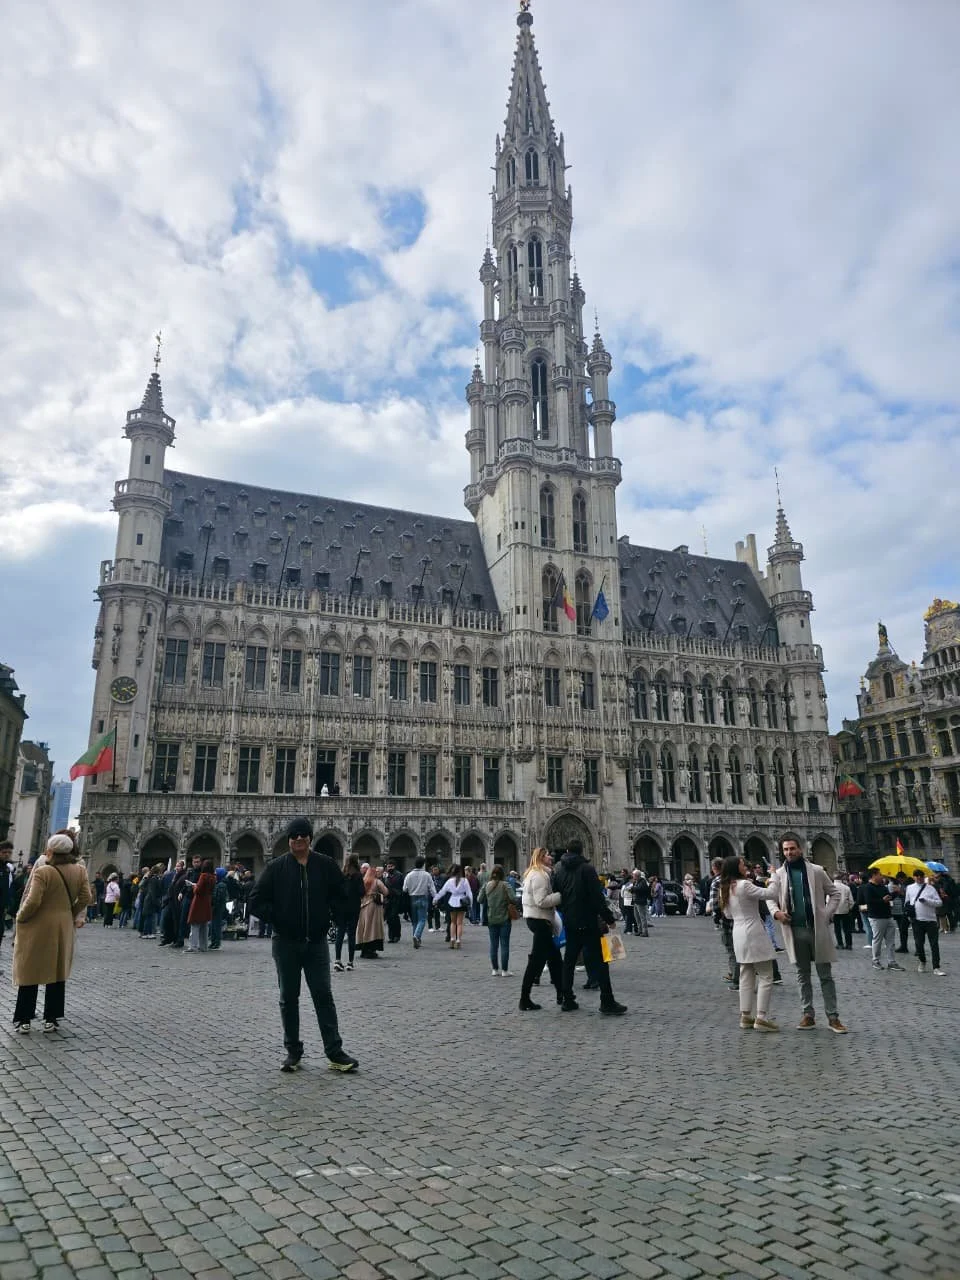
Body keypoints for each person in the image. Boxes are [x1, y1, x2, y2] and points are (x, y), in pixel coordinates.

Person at [247, 817, 358, 1074]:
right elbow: (255, 900)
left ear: (310, 838)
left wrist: (330, 916)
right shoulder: (277, 867)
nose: (299, 839)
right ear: (289, 839)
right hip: (285, 942)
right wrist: (278, 918)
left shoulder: (325, 865)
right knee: (289, 998)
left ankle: (334, 1051)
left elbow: (342, 895)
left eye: (303, 835)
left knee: (323, 997)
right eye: (294, 835)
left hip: (316, 942)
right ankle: (293, 1051)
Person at [12, 833, 94, 1033]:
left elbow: (33, 901)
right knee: (57, 970)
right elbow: (86, 897)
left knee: (30, 970)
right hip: (63, 925)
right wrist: (69, 913)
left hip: (38, 925)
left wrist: (20, 917)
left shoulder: (44, 871)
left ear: (51, 850)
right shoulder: (80, 870)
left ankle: (24, 1019)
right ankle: (52, 1018)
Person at [767, 838, 848, 1033]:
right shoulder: (778, 874)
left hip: (816, 929)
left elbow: (835, 894)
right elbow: (771, 898)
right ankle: (808, 1015)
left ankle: (833, 1017)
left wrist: (826, 915)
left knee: (825, 975)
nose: (789, 852)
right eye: (785, 849)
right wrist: (776, 912)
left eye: (792, 848)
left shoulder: (817, 871)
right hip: (794, 930)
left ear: (800, 849)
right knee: (802, 975)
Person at [552, 843, 626, 1015]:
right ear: (582, 851)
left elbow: (557, 895)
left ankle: (567, 999)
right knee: (600, 961)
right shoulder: (587, 869)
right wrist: (609, 919)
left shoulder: (560, 871)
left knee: (569, 962)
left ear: (568, 851)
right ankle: (607, 1001)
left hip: (570, 923)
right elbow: (597, 898)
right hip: (588, 922)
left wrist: (566, 912)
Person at [719, 855, 779, 1031]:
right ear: (735, 868)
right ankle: (761, 1017)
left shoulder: (726, 887)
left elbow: (728, 915)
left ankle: (745, 1016)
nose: (745, 866)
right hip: (753, 932)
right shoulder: (744, 885)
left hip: (738, 933)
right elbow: (771, 893)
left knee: (746, 974)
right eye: (742, 864)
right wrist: (773, 876)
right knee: (766, 975)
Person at [518, 848, 563, 1011]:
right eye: (547, 855)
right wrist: (560, 895)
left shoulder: (537, 873)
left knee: (555, 959)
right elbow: (541, 901)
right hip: (539, 919)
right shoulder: (539, 875)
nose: (551, 857)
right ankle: (524, 999)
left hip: (538, 919)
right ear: (540, 858)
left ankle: (562, 994)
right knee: (536, 961)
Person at [478, 865, 517, 976]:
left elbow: (479, 899)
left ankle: (495, 969)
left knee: (493, 945)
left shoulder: (487, 885)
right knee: (504, 945)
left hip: (491, 919)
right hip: (504, 918)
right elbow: (514, 898)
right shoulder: (506, 885)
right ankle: (505, 970)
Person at [905, 871, 946, 976]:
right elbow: (907, 902)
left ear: (924, 877)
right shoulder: (909, 888)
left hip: (931, 920)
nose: (919, 878)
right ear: (913, 877)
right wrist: (909, 915)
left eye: (921, 876)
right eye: (917, 876)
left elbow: (939, 902)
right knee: (919, 944)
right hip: (917, 920)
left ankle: (936, 967)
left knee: (934, 945)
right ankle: (922, 961)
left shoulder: (931, 888)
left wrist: (927, 901)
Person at [865, 867, 900, 971]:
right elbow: (869, 901)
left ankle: (891, 962)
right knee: (877, 940)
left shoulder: (882, 886)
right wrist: (882, 900)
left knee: (891, 941)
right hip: (876, 917)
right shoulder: (868, 887)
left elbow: (888, 897)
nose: (882, 876)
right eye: (880, 874)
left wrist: (895, 893)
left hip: (888, 916)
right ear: (874, 875)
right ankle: (875, 960)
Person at [334, 854, 364, 970]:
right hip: (353, 908)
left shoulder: (341, 875)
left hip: (341, 909)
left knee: (340, 933)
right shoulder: (357, 875)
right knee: (351, 934)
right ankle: (350, 963)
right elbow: (362, 892)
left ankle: (337, 960)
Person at [433, 864, 472, 948]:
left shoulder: (450, 881)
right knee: (460, 923)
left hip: (452, 902)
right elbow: (469, 893)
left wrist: (435, 899)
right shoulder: (464, 880)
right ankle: (458, 940)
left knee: (452, 923)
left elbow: (442, 892)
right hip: (462, 902)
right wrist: (470, 903)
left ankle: (452, 939)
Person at [356, 863, 387, 959]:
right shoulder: (377, 882)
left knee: (364, 927)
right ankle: (371, 950)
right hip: (374, 907)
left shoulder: (362, 881)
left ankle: (363, 949)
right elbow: (386, 891)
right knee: (373, 928)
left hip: (362, 906)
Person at [402, 856, 434, 949]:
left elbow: (404, 889)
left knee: (415, 921)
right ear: (423, 864)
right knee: (422, 919)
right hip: (423, 897)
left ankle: (417, 939)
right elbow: (432, 888)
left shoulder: (409, 875)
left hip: (412, 898)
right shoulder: (427, 875)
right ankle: (416, 935)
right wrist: (436, 898)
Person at [186, 860, 216, 952]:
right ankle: (204, 946)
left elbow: (197, 890)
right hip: (207, 901)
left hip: (199, 902)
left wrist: (193, 886)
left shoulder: (203, 876)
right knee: (204, 925)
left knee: (195, 924)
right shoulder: (213, 877)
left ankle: (193, 947)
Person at [831, 874, 854, 951]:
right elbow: (851, 901)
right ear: (841, 878)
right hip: (845, 911)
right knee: (847, 928)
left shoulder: (831, 887)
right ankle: (849, 944)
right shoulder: (846, 887)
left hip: (835, 911)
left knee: (837, 929)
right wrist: (849, 908)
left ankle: (840, 944)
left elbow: (828, 900)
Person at [383, 860, 404, 943]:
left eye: (391, 866)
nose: (390, 868)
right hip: (388, 899)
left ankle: (397, 935)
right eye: (388, 866)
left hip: (396, 899)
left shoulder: (399, 875)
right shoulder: (385, 876)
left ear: (394, 866)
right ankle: (391, 936)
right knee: (389, 918)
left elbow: (402, 887)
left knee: (394, 917)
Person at [209, 868, 229, 949]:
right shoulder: (218, 883)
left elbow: (218, 897)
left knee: (216, 926)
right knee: (213, 925)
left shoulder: (221, 885)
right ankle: (214, 942)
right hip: (216, 908)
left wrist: (213, 905)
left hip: (217, 908)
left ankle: (216, 942)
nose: (214, 875)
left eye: (215, 874)